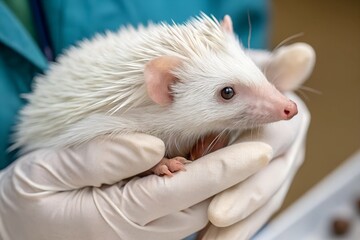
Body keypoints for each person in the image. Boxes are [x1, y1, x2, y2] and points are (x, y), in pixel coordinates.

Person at [0, 1, 311, 239]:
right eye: (227, 92)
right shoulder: (122, 116)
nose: (286, 108)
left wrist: (267, 81)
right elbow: (92, 155)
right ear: (166, 87)